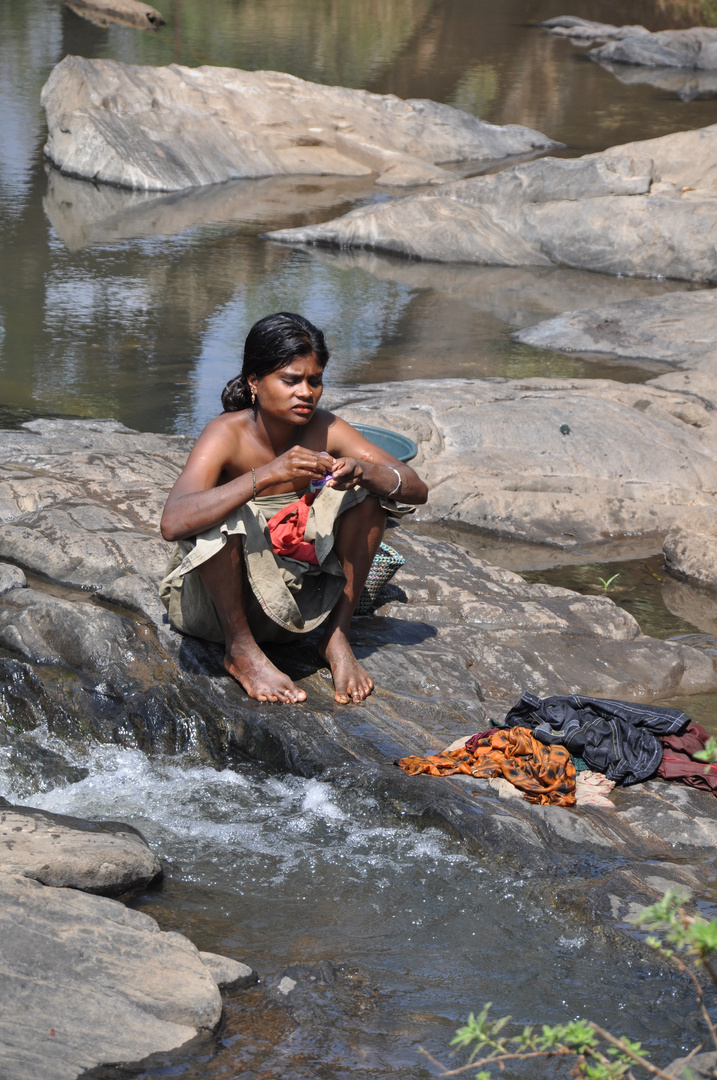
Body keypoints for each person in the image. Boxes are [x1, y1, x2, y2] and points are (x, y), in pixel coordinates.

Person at [159, 312, 428, 706]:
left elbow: (415, 488)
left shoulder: (326, 427)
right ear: (255, 381)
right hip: (221, 613)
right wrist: (265, 475)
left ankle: (336, 636)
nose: (306, 392)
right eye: (290, 381)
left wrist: (364, 470)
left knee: (370, 494)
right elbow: (172, 521)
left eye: (314, 381)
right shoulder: (226, 433)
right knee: (225, 514)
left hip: (301, 604)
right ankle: (242, 654)